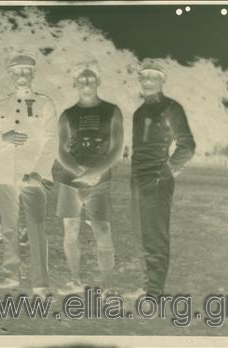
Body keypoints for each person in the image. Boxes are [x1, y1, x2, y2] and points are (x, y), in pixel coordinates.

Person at [0, 51, 58, 297]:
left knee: (36, 224)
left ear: (33, 74)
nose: (21, 75)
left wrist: (38, 172)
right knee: (9, 226)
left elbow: (50, 141)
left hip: (33, 175)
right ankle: (10, 274)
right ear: (10, 74)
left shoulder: (45, 103)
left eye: (26, 70)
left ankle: (40, 282)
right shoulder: (1, 104)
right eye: (16, 71)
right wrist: (2, 138)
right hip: (5, 172)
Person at [51, 61, 124, 296]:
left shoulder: (112, 111)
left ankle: (108, 285)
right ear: (74, 83)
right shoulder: (67, 114)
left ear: (98, 82)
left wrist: (95, 172)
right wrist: (77, 171)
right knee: (70, 230)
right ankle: (75, 280)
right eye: (81, 80)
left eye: (91, 79)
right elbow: (60, 149)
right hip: (70, 181)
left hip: (99, 182)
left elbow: (117, 148)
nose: (86, 83)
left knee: (102, 229)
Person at [130, 59, 195, 300]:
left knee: (155, 235)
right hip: (136, 177)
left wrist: (168, 169)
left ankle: (155, 292)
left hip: (157, 178)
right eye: (144, 76)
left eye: (153, 76)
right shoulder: (139, 111)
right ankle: (146, 284)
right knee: (139, 234)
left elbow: (187, 145)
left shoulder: (171, 108)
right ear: (139, 79)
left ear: (162, 80)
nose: (148, 80)